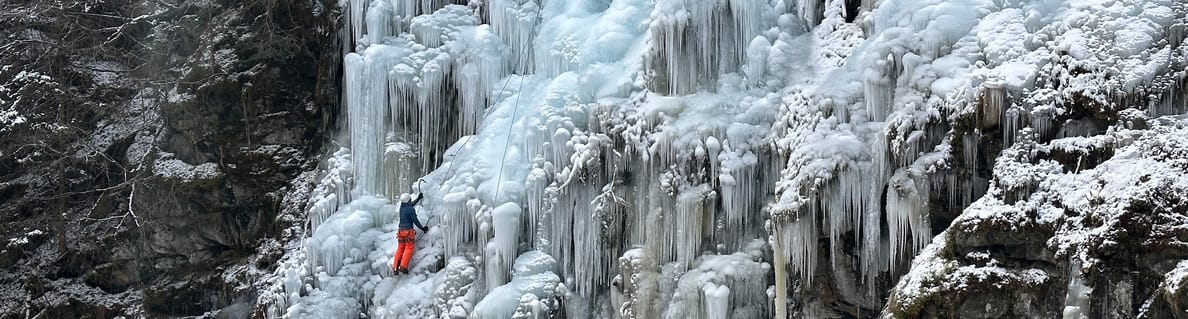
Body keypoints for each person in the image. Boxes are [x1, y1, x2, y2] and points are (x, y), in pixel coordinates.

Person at [392, 192, 428, 274]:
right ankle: (403, 266)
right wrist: (423, 228)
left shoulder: (402, 207)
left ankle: (395, 267)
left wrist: (418, 199)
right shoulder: (410, 209)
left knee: (400, 248)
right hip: (408, 232)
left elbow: (410, 204)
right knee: (409, 248)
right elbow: (415, 220)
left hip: (400, 231)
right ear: (408, 200)